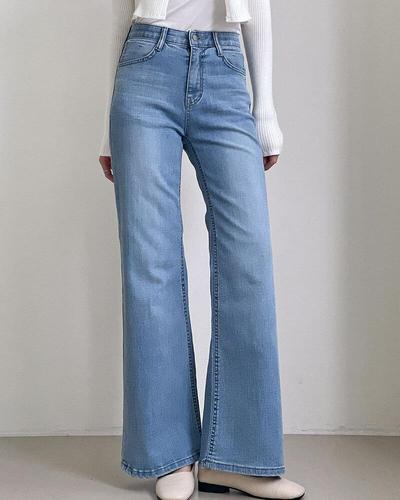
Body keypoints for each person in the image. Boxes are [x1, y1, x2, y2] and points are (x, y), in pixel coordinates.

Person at [98, 1, 306, 499]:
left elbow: (258, 5)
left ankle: (237, 459)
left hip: (225, 66)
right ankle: (171, 456)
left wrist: (265, 108)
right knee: (151, 262)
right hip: (145, 67)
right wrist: (107, 125)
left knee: (248, 257)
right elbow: (121, 11)